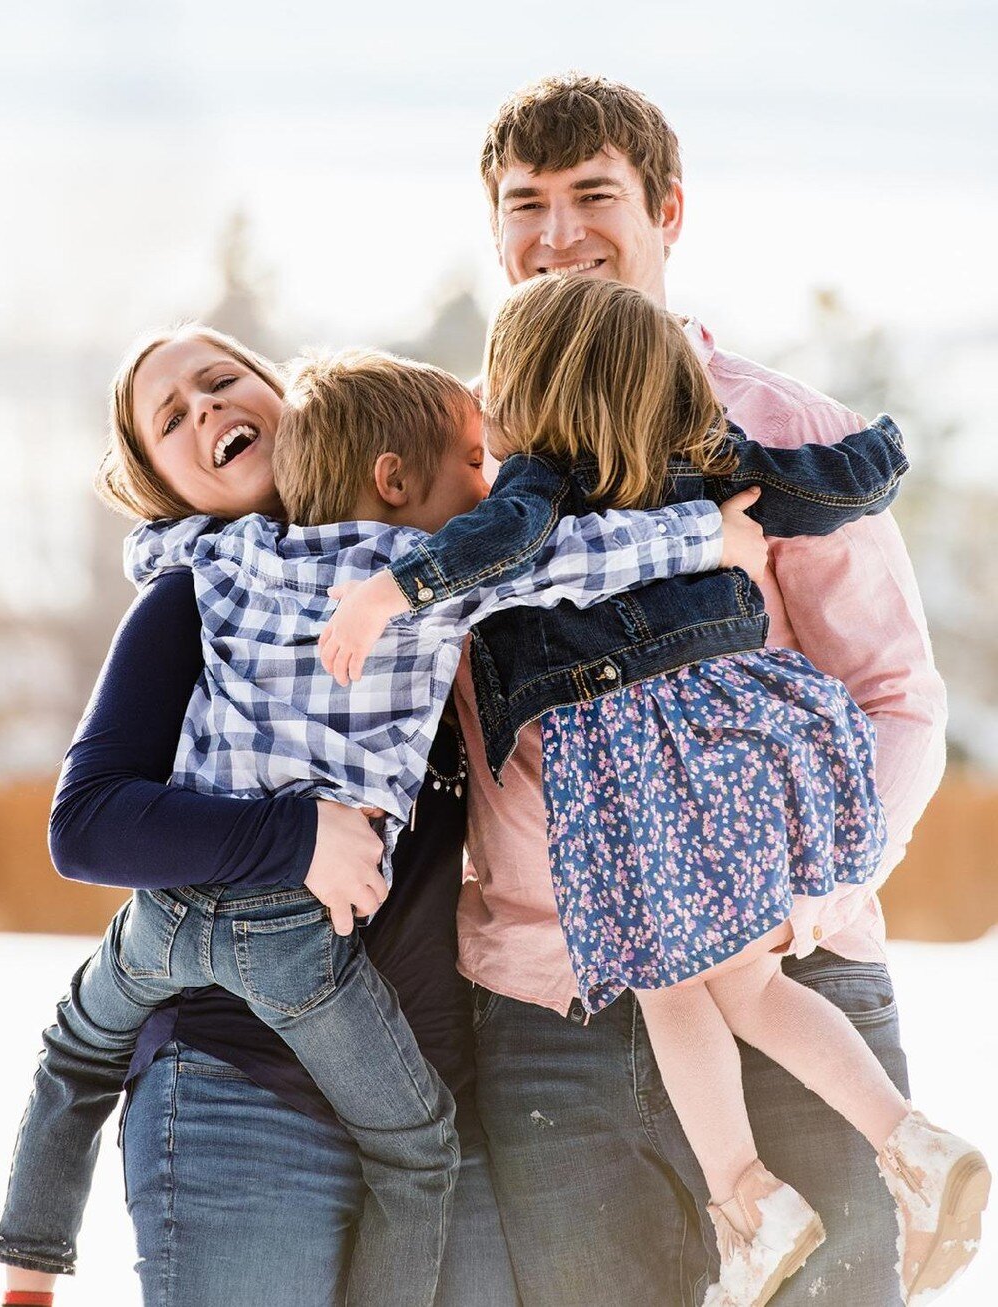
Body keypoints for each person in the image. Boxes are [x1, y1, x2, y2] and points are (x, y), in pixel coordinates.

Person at [321, 272, 989, 1306]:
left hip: (632, 778)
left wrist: (386, 591)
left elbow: (487, 548)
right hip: (740, 741)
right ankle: (902, 1137)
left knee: (675, 982)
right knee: (750, 987)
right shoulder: (715, 463)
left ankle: (748, 1202)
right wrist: (885, 450)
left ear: (528, 396)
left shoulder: (535, 485)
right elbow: (834, 477)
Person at [444, 73, 952, 1307]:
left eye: (591, 196)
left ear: (666, 210)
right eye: (525, 204)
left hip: (785, 976)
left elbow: (895, 697)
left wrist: (808, 902)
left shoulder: (771, 431)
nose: (556, 233)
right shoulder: (468, 459)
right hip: (547, 1008)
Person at [0, 328, 515, 1307]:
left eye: (220, 380)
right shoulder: (194, 599)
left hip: (431, 1098)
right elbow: (90, 821)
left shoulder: (428, 576)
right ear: (169, 489)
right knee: (78, 1048)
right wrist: (297, 834)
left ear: (289, 396)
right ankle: (27, 1267)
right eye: (171, 419)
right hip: (241, 1093)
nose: (205, 410)